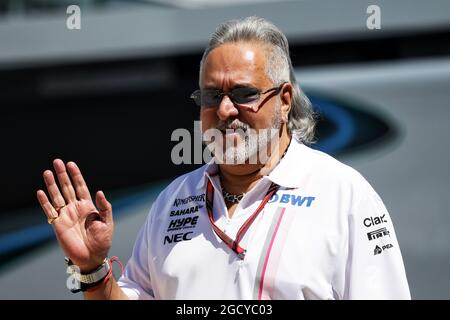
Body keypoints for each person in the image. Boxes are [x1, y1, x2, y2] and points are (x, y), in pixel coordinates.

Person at [36, 16, 410, 300]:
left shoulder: (344, 195)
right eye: (212, 96)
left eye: (243, 93)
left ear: (283, 101)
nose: (226, 109)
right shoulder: (174, 200)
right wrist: (91, 269)